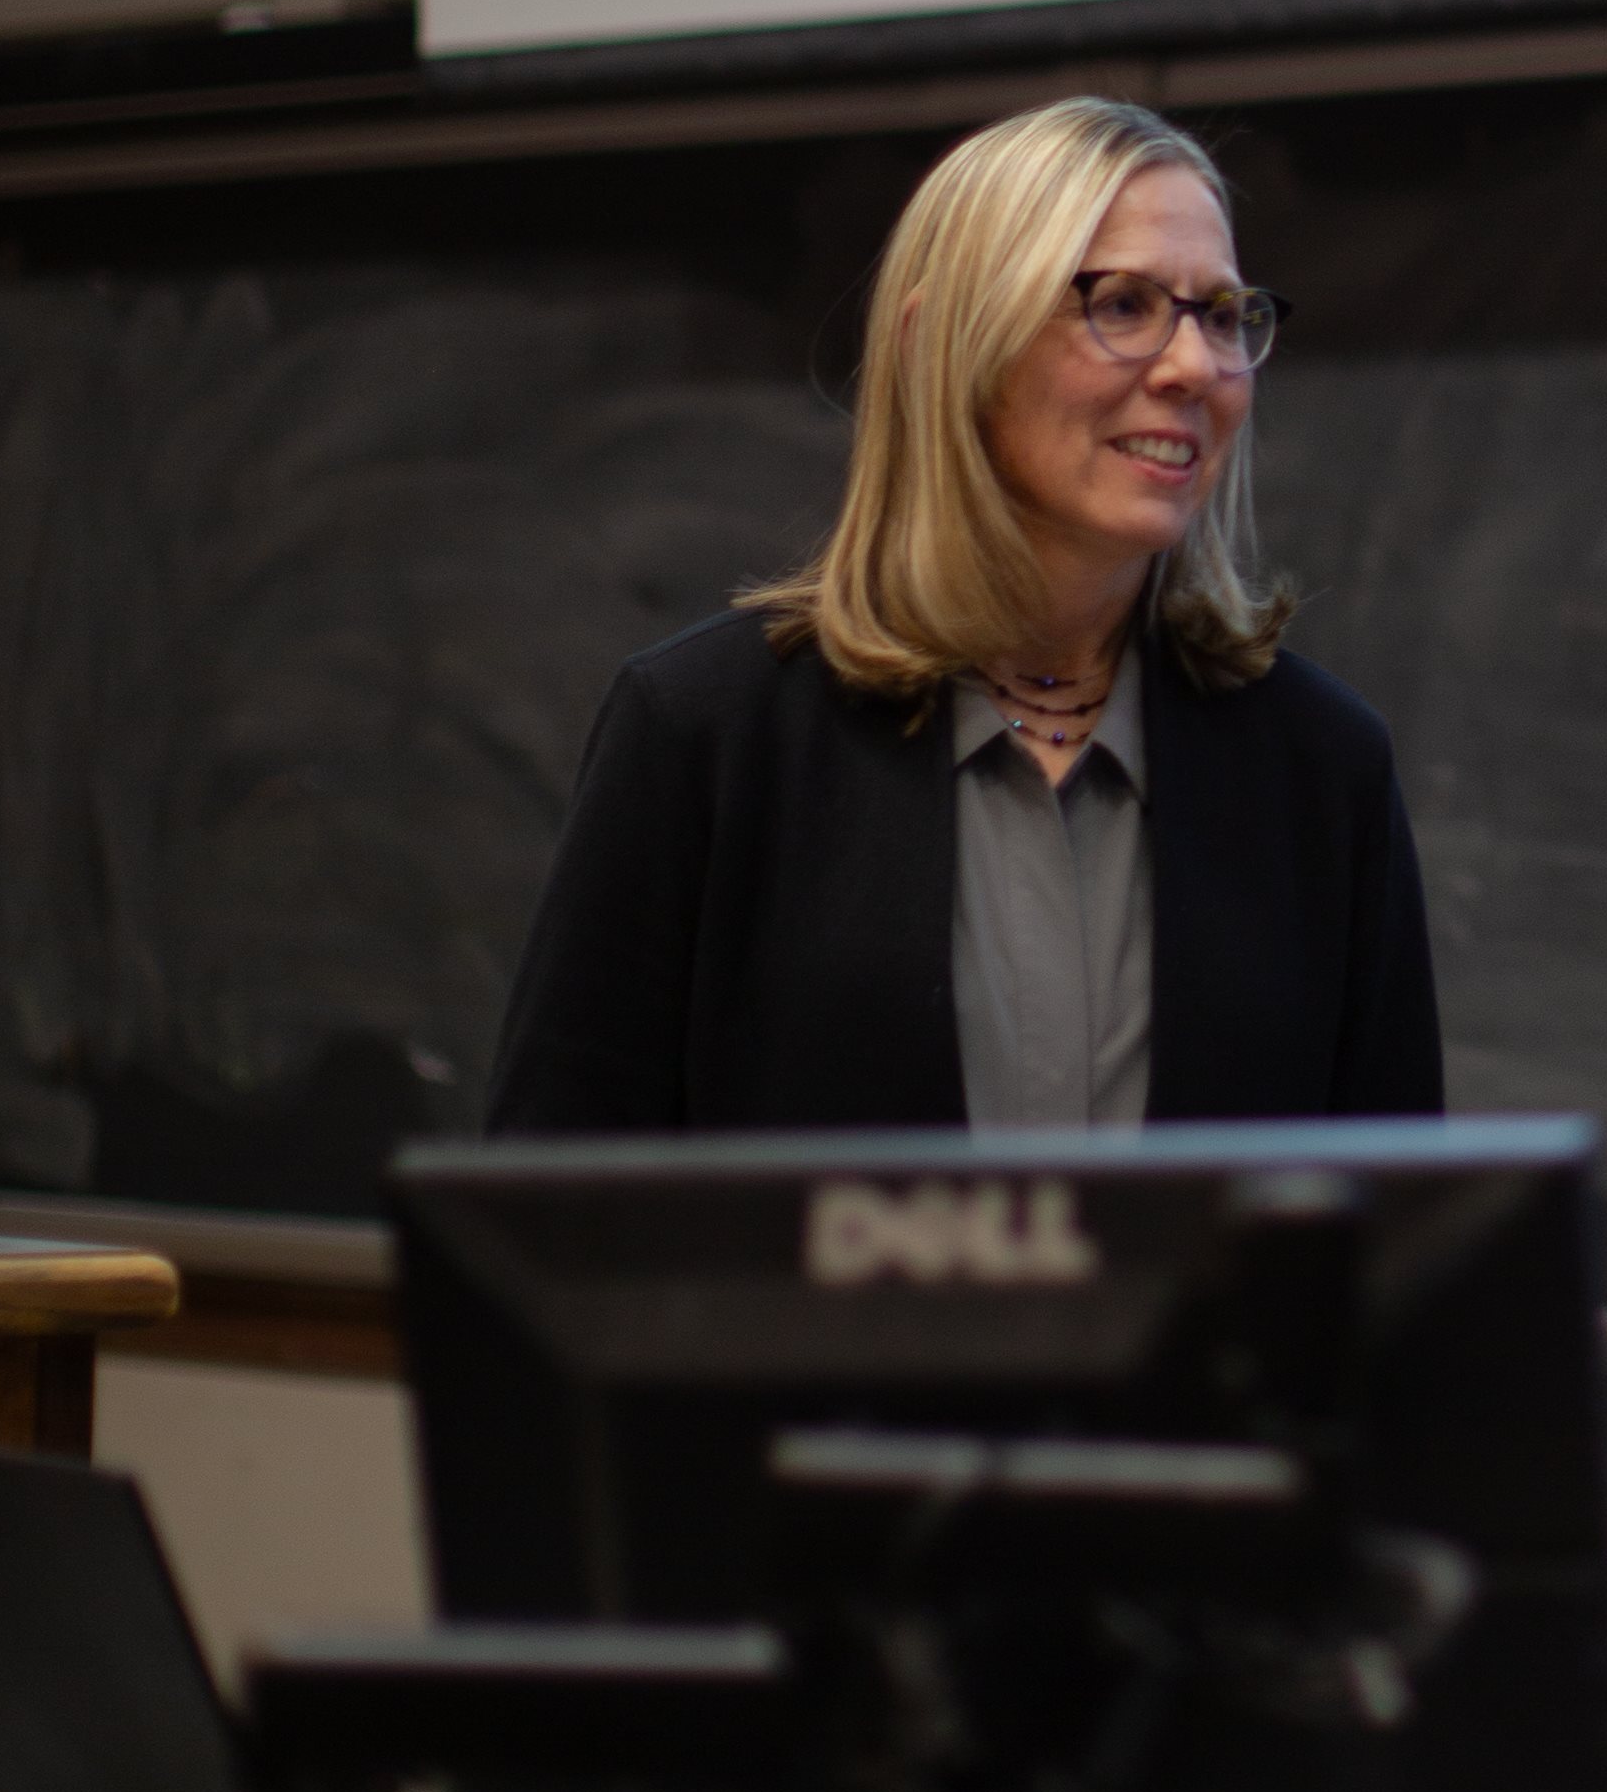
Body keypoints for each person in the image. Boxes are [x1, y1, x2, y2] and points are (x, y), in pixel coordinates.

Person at [487, 95, 1438, 1139]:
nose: (1192, 367)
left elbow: (1394, 1252)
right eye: (1121, 302)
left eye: (1221, 314)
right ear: (947, 344)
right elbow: (547, 1237)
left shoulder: (1320, 770)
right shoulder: (704, 738)